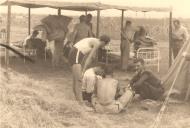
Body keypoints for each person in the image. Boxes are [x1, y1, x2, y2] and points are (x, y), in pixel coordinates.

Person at [68, 35, 110, 104]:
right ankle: (81, 104)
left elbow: (85, 56)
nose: (103, 46)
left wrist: (82, 66)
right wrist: (83, 71)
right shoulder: (97, 43)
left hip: (74, 53)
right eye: (105, 44)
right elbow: (89, 58)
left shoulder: (94, 40)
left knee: (76, 80)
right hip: (76, 53)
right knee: (79, 81)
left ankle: (78, 102)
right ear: (103, 42)